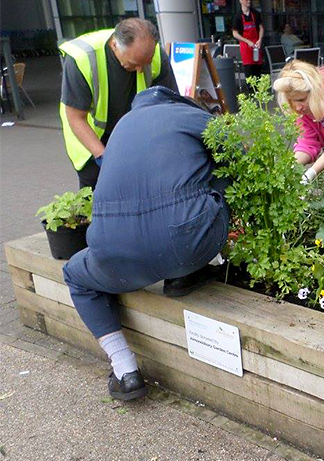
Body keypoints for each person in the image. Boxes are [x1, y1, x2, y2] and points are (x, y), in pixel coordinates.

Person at [62, 86, 230, 401]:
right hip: (186, 242)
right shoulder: (188, 115)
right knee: (222, 179)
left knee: (74, 274)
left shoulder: (120, 129)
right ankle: (196, 267)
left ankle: (125, 370)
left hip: (112, 253)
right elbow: (238, 154)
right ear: (177, 101)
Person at [59, 18, 178, 189]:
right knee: (99, 194)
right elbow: (76, 118)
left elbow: (169, 107)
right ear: (114, 45)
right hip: (92, 140)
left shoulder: (155, 55)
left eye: (145, 64)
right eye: (133, 64)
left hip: (134, 137)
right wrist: (103, 157)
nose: (140, 70)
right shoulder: (82, 58)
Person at [231, 0, 264, 80]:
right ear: (241, 1)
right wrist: (247, 41)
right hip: (246, 46)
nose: (248, 1)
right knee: (249, 72)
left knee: (258, 71)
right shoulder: (237, 17)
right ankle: (250, 91)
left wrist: (260, 39)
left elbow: (261, 28)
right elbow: (235, 33)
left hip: (256, 44)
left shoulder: (255, 14)